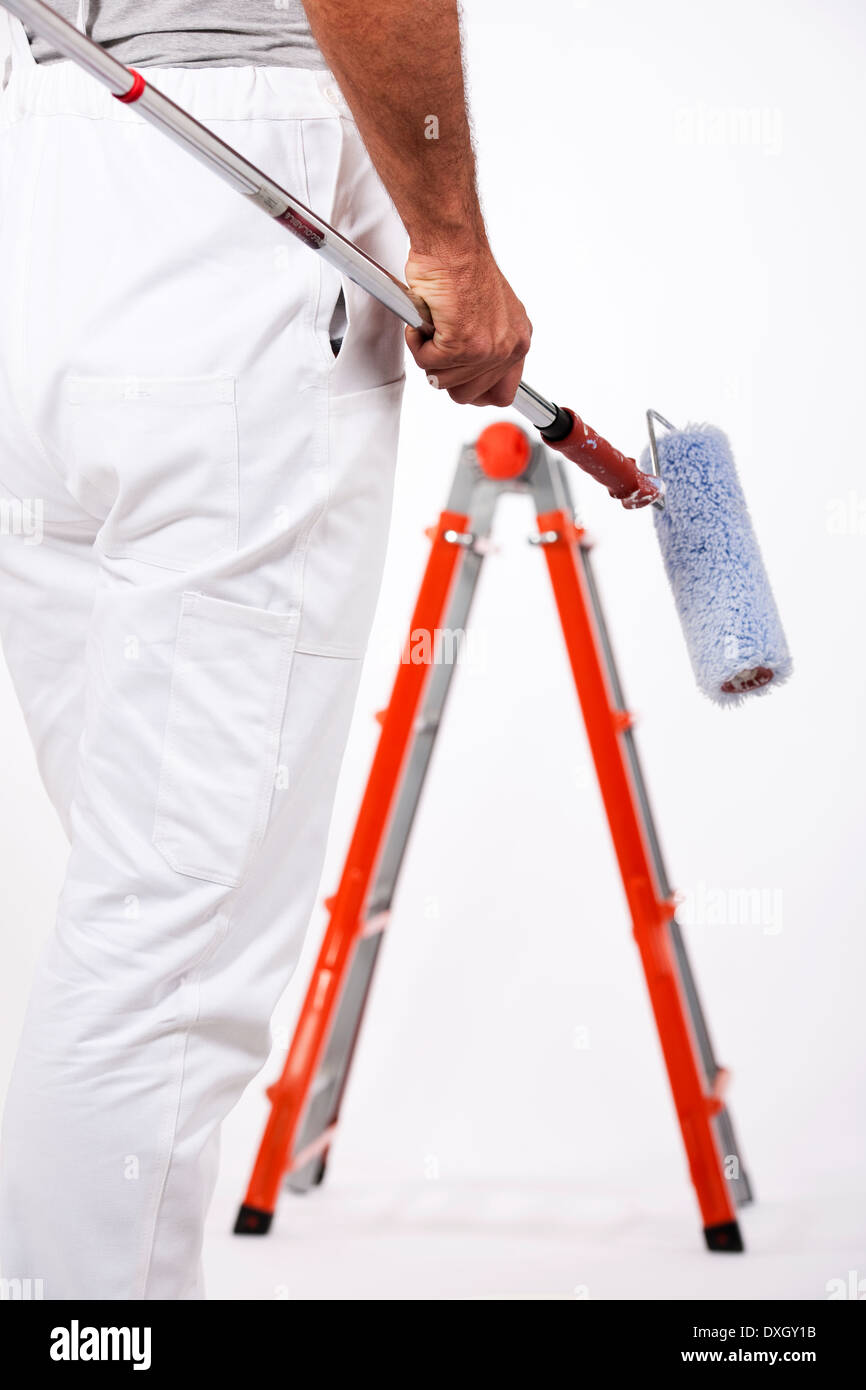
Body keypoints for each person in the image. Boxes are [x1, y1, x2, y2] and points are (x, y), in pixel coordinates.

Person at [0, 1, 530, 1299]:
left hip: (53, 163)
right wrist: (452, 241)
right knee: (168, 943)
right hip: (232, 184)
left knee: (142, 913)